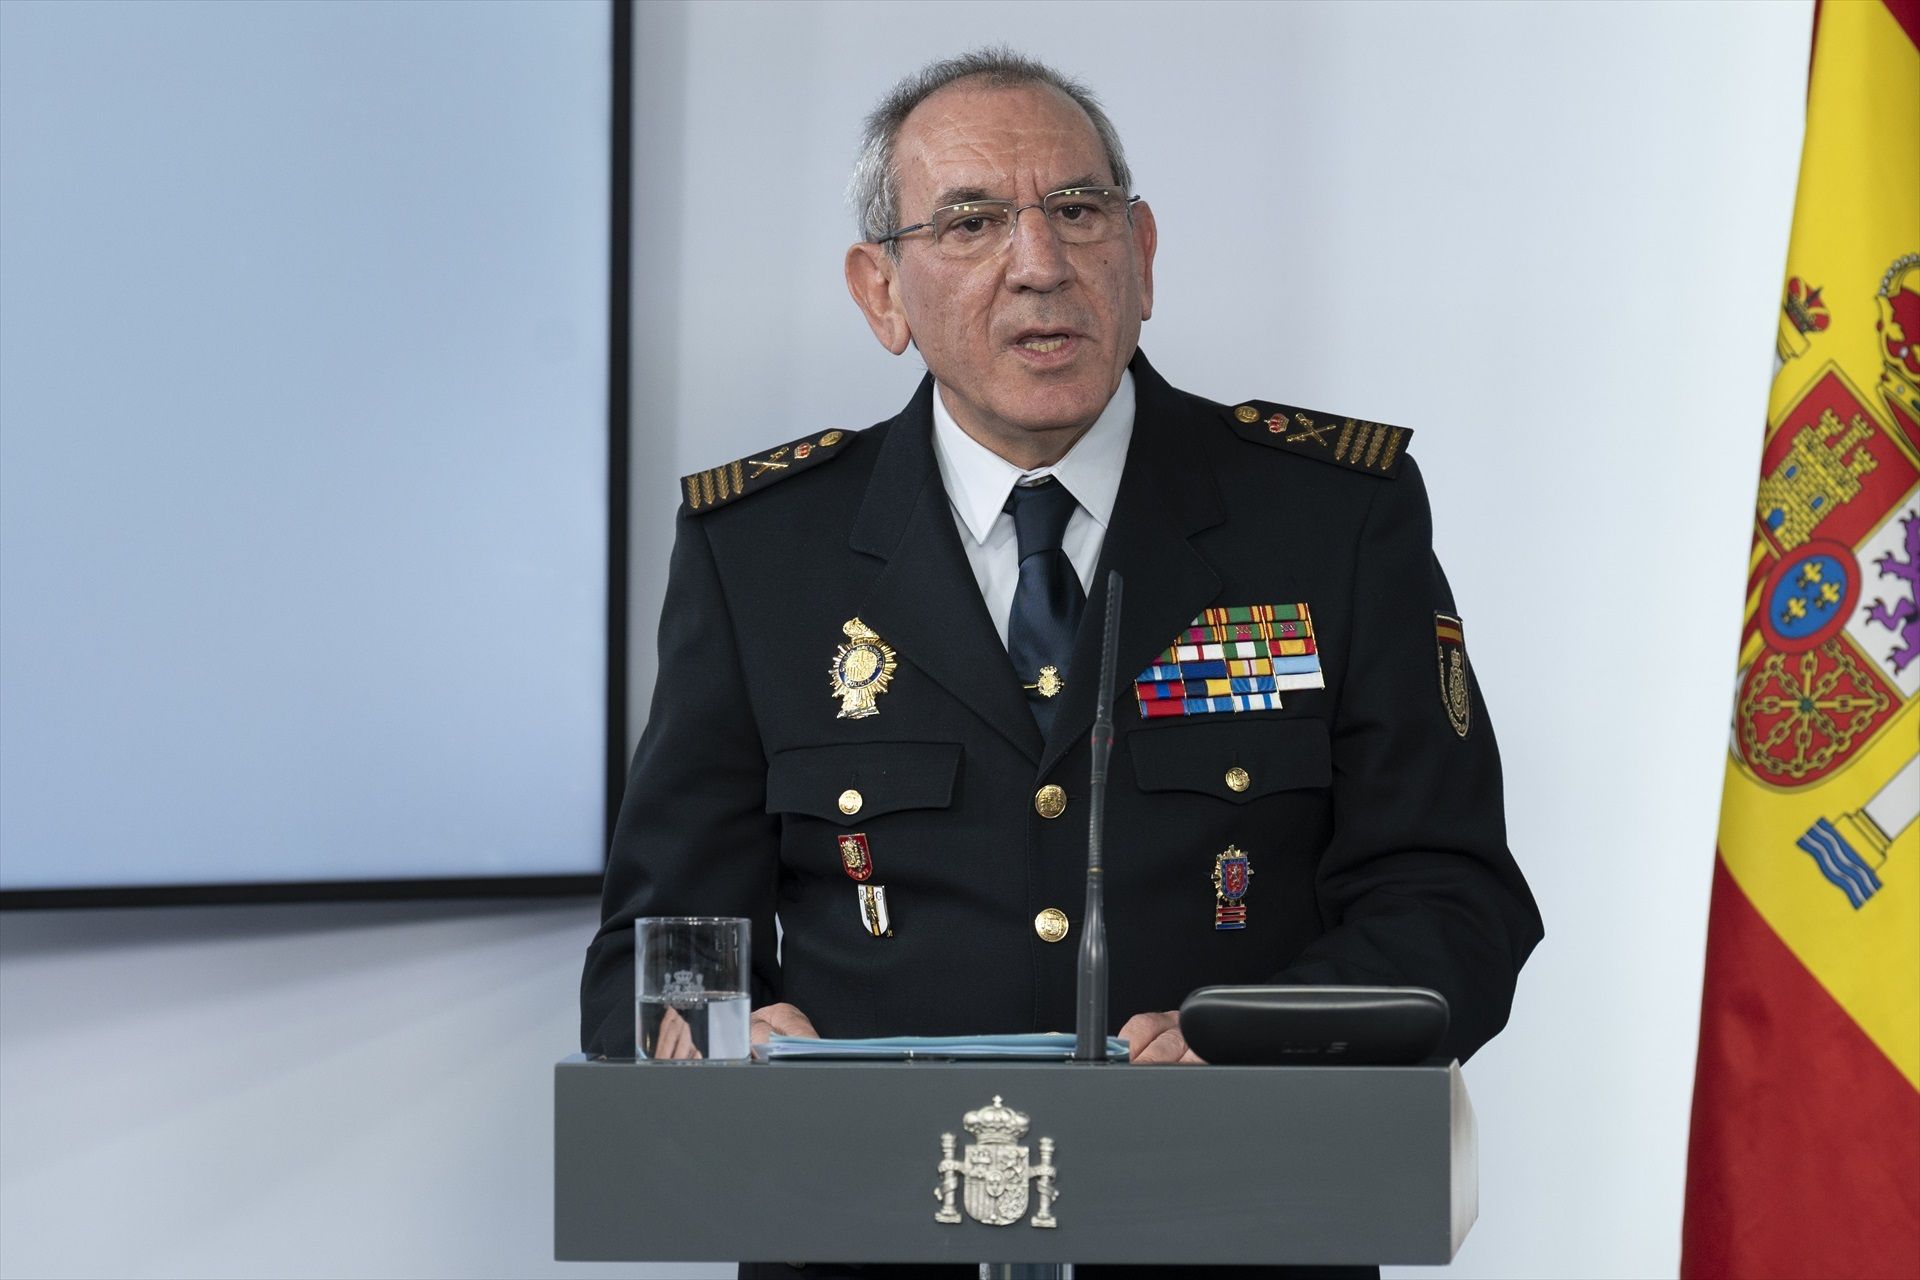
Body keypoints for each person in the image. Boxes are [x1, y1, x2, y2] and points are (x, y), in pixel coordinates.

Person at [581, 48, 1541, 1272]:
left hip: (1237, 1226)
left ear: (1141, 252)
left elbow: (1453, 900)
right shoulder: (764, 554)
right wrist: (720, 1044)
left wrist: (1271, 1041)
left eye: (1078, 212)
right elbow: (647, 958)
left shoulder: (1329, 520)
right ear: (881, 292)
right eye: (971, 221)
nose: (1040, 263)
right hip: (868, 1232)